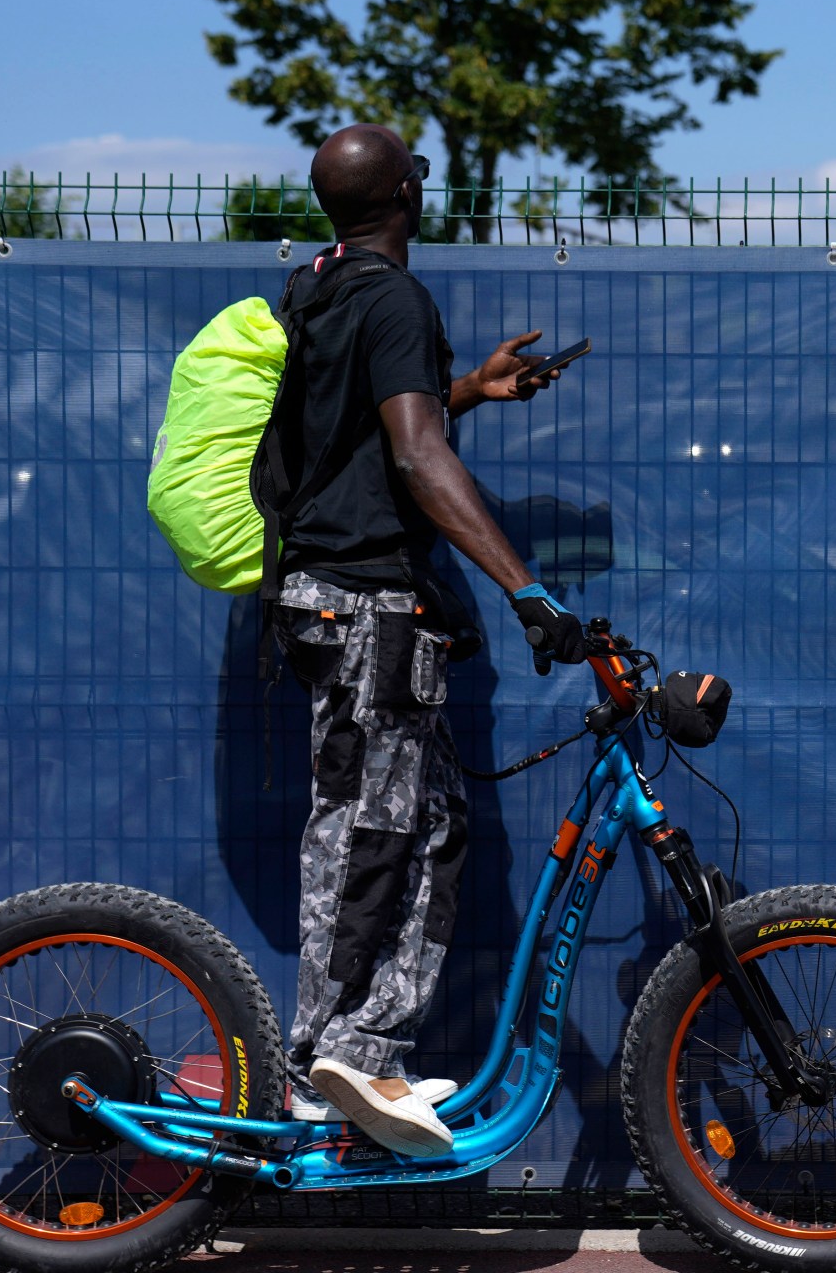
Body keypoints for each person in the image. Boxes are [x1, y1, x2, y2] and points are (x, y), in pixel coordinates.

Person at [264, 123, 587, 1157]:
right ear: (407, 191)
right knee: (371, 830)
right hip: (365, 608)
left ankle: (365, 1053)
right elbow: (410, 455)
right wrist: (525, 589)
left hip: (327, 597)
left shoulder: (318, 290)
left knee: (430, 826)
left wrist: (468, 392)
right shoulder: (394, 297)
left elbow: (369, 431)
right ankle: (331, 1059)